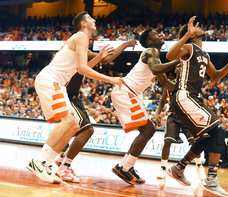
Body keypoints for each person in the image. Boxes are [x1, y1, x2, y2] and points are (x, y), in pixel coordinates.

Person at [26, 11, 122, 184]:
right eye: (90, 19)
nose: (95, 20)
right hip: (51, 79)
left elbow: (79, 68)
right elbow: (84, 70)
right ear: (83, 24)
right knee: (67, 121)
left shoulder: (82, 40)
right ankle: (39, 161)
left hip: (57, 82)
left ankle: (47, 162)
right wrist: (110, 79)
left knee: (74, 124)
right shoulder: (81, 37)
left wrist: (99, 57)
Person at [165, 16, 228, 197]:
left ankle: (179, 168)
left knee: (209, 136)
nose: (200, 28)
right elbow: (170, 55)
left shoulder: (204, 54)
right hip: (183, 95)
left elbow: (215, 75)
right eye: (194, 28)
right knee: (219, 130)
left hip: (192, 97)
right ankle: (211, 179)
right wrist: (186, 35)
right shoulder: (189, 47)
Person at [54, 39, 138, 183]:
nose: (91, 38)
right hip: (65, 95)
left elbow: (101, 60)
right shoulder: (77, 50)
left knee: (78, 130)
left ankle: (61, 159)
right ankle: (62, 167)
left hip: (73, 96)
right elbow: (107, 60)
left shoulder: (81, 51)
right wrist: (125, 44)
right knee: (87, 130)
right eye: (89, 36)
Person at [111, 28, 180, 185]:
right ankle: (126, 168)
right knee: (148, 130)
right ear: (149, 42)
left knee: (146, 130)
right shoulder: (151, 51)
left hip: (129, 93)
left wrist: (184, 86)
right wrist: (179, 60)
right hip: (126, 91)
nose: (160, 34)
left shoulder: (156, 59)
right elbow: (156, 70)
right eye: (156, 34)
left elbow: (166, 83)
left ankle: (122, 166)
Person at [155, 66, 203, 180]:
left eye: (182, 66)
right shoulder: (169, 84)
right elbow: (162, 101)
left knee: (194, 141)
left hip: (187, 116)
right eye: (178, 66)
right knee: (167, 141)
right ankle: (163, 168)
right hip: (173, 115)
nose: (179, 68)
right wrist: (157, 113)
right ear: (175, 70)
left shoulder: (190, 85)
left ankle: (199, 166)